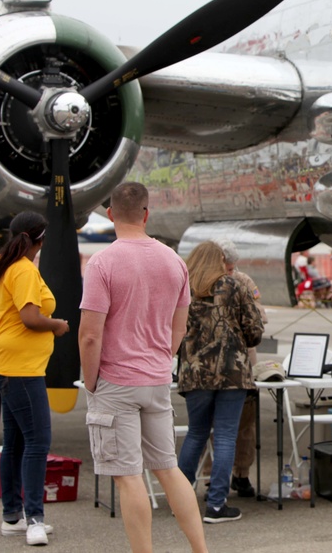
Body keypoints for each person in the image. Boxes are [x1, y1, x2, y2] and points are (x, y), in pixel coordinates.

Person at [78, 183, 208, 553]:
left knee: (128, 475)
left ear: (110, 215)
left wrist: (91, 382)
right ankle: (201, 549)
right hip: (155, 378)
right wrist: (159, 360)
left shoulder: (102, 263)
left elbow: (90, 335)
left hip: (116, 380)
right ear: (147, 214)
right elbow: (178, 327)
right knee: (168, 468)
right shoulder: (174, 261)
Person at [0, 211, 69, 546]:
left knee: (17, 441)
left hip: (4, 362)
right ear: (41, 239)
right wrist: (57, 325)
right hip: (22, 369)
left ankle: (12, 515)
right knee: (38, 441)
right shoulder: (22, 269)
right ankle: (34, 517)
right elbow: (30, 317)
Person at [177, 240, 264, 523]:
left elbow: (172, 330)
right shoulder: (234, 285)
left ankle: (180, 499)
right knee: (226, 436)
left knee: (196, 433)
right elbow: (254, 329)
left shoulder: (183, 288)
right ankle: (216, 506)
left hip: (195, 372)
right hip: (232, 371)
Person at [219, 239, 267, 499]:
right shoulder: (201, 282)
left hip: (243, 362)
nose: (229, 273)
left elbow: (260, 316)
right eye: (225, 268)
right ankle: (213, 480)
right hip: (213, 365)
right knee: (213, 427)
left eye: (231, 268)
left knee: (245, 424)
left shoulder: (244, 281)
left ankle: (242, 474)